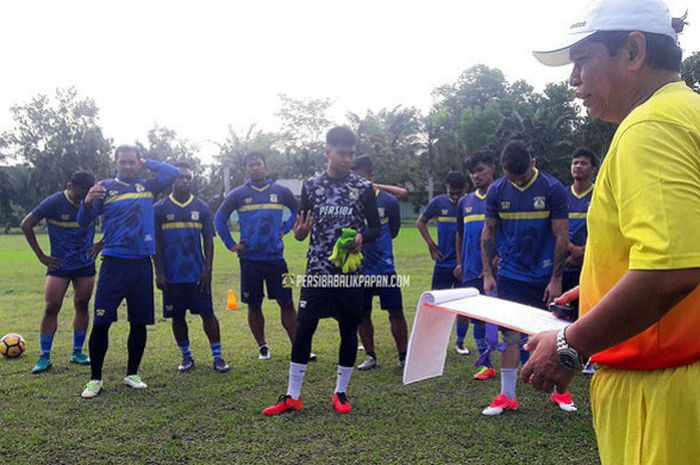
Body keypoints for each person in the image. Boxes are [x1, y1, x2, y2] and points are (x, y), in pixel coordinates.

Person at [525, 1, 700, 463]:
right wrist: (602, 285)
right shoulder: (688, 113)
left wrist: (570, 344)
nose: (572, 80)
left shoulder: (651, 127)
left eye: (583, 60)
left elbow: (672, 271)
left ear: (634, 50)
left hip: (662, 396)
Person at [262, 127, 381, 416]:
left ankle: (340, 392)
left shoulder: (362, 188)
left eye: (351, 154)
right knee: (304, 328)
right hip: (317, 270)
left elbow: (377, 227)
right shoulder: (312, 186)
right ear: (327, 152)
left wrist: (362, 237)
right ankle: (292, 396)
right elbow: (302, 231)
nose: (348, 159)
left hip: (349, 273)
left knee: (348, 328)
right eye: (342, 153)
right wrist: (300, 232)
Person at [77, 145, 180, 398]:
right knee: (101, 322)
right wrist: (87, 200)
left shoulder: (147, 187)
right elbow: (83, 220)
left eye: (132, 161)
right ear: (115, 163)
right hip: (114, 263)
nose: (127, 166)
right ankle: (95, 379)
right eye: (123, 162)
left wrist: (148, 162)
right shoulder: (104, 188)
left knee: (139, 321)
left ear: (138, 162)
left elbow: (173, 172)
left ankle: (132, 373)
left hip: (141, 264)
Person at [480, 140, 573, 415]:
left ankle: (561, 393)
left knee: (558, 335)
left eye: (522, 175)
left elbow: (561, 235)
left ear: (533, 162)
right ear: (504, 171)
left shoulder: (552, 188)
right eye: (512, 176)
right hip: (510, 273)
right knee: (509, 335)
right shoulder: (497, 190)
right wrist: (487, 273)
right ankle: (507, 395)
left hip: (544, 274)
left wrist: (556, 279)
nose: (518, 180)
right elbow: (489, 233)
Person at [215, 151, 301, 360]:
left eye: (258, 164)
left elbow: (298, 210)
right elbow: (219, 218)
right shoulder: (237, 194)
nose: (255, 168)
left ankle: (298, 346)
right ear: (247, 169)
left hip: (277, 260)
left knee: (288, 303)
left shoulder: (281, 191)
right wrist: (231, 244)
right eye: (251, 165)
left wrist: (286, 227)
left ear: (266, 167)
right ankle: (262, 346)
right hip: (249, 261)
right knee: (254, 304)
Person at [154, 162, 229, 373]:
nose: (185, 181)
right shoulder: (159, 209)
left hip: (197, 274)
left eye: (188, 177)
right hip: (172, 275)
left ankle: (218, 357)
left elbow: (209, 241)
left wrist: (208, 269)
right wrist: (159, 272)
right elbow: (156, 244)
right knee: (177, 317)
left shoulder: (202, 207)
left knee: (208, 314)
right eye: (180, 177)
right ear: (171, 179)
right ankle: (187, 357)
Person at [20, 171, 98, 373]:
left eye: (87, 194)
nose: (83, 198)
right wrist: (41, 256)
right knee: (51, 306)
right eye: (80, 193)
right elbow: (26, 224)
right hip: (59, 265)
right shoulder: (54, 202)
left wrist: (101, 244)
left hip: (84, 265)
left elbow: (120, 219)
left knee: (82, 304)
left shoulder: (94, 201)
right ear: (70, 186)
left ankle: (77, 352)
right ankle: (44, 356)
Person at [351, 155, 408, 371]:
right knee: (362, 314)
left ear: (371, 175)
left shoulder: (388, 201)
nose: (357, 181)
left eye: (361, 176)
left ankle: (403, 356)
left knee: (395, 311)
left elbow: (393, 232)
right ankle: (371, 356)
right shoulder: (350, 201)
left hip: (384, 268)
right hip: (358, 269)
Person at [417, 171, 469, 354]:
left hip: (465, 264)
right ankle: (434, 342)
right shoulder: (438, 203)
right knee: (436, 304)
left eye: (459, 194)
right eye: (451, 193)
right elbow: (421, 222)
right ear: (446, 188)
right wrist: (431, 244)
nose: (455, 198)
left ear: (465, 189)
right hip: (443, 263)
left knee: (464, 305)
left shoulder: (470, 203)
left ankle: (460, 342)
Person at [455, 152, 497, 380]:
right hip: (471, 269)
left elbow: (505, 232)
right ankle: (486, 363)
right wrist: (460, 262)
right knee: (478, 317)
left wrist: (496, 260)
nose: (476, 175)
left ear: (492, 168)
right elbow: (459, 235)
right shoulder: (465, 202)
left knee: (505, 318)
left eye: (480, 169)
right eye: (472, 172)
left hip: (498, 271)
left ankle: (524, 362)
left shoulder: (500, 195)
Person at [564, 147, 597, 375]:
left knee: (592, 309)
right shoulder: (562, 195)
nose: (578, 166)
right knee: (565, 311)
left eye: (583, 163)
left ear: (592, 169)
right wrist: (570, 249)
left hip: (591, 263)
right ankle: (565, 355)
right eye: (575, 162)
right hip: (566, 261)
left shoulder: (599, 193)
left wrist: (584, 251)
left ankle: (593, 357)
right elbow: (555, 228)